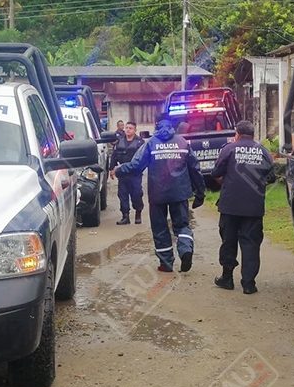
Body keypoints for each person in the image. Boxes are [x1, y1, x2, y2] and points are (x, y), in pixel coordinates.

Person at [112, 115, 206, 273]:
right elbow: (195, 169)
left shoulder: (151, 144)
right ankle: (185, 250)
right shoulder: (183, 142)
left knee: (160, 228)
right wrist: (200, 193)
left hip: (157, 194)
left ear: (156, 127)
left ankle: (166, 264)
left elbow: (136, 165)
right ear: (172, 127)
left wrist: (119, 170)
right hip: (180, 193)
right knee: (182, 225)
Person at [210, 120, 275, 294]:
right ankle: (249, 283)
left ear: (237, 133)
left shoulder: (229, 149)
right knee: (251, 244)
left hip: (230, 205)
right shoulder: (263, 151)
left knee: (228, 242)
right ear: (253, 134)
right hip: (253, 207)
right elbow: (272, 176)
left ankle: (227, 278)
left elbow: (215, 172)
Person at [110, 121, 145, 225]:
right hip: (122, 173)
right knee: (122, 195)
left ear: (135, 130)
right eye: (127, 128)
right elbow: (114, 156)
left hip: (135, 173)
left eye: (130, 128)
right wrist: (111, 169)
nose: (128, 130)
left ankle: (138, 213)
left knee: (136, 194)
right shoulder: (119, 141)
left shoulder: (140, 143)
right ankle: (125, 216)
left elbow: (143, 158)